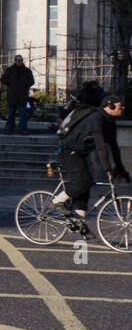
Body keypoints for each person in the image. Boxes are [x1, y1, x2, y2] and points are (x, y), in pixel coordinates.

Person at [51, 90, 128, 234]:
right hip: (68, 151)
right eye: (120, 106)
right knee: (83, 182)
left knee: (85, 187)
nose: (123, 109)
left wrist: (121, 169)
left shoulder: (109, 122)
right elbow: (100, 147)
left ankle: (78, 221)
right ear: (109, 106)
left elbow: (114, 147)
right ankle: (57, 201)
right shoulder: (96, 119)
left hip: (80, 154)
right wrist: (108, 169)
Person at [2, 55, 35, 133]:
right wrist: (11, 83)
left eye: (21, 60)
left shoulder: (27, 71)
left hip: (22, 96)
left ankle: (23, 129)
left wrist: (24, 84)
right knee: (11, 113)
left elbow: (32, 81)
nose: (20, 62)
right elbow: (3, 79)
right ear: (15, 61)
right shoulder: (10, 70)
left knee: (23, 114)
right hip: (12, 95)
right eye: (18, 60)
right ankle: (9, 128)